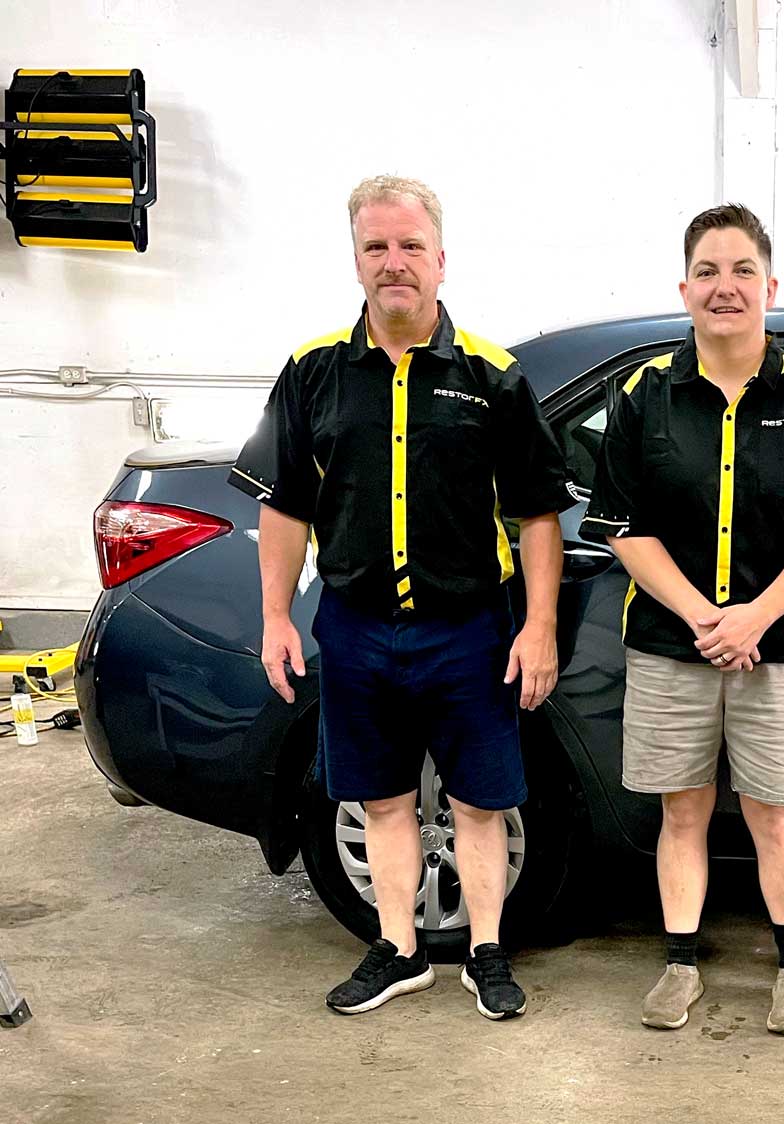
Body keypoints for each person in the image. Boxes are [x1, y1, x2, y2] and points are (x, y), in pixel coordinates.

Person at [230, 175, 572, 1020]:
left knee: (481, 803)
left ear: (441, 261)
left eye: (410, 247)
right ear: (356, 261)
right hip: (354, 627)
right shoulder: (312, 372)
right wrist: (276, 617)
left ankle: (487, 953)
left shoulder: (491, 377)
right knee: (380, 799)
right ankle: (399, 950)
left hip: (470, 631)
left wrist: (537, 627)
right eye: (377, 247)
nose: (395, 263)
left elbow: (536, 516)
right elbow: (284, 505)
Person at [581, 204, 784, 1035]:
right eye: (708, 272)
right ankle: (679, 966)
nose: (725, 287)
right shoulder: (644, 396)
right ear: (685, 289)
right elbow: (623, 526)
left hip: (776, 647)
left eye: (742, 270)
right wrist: (708, 615)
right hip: (675, 642)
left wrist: (754, 618)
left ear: (770, 287)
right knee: (683, 810)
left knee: (774, 814)